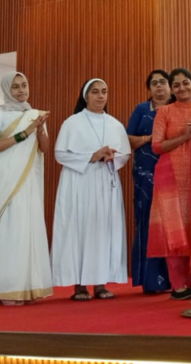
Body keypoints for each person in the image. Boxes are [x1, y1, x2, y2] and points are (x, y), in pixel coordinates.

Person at [51, 79, 131, 301]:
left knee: (102, 230)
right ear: (85, 96)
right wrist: (91, 156)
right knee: (79, 229)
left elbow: (125, 153)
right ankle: (79, 286)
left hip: (105, 181)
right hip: (79, 183)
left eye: (104, 91)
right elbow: (60, 154)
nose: (100, 96)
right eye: (95, 92)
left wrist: (112, 157)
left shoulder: (114, 124)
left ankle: (100, 284)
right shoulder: (72, 123)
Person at [0, 72, 53, 306]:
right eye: (15, 87)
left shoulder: (35, 115)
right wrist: (25, 133)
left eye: (24, 85)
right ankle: (6, 290)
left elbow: (44, 149)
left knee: (29, 233)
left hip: (29, 182)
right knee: (11, 234)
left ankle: (28, 288)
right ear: (7, 90)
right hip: (7, 182)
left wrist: (39, 131)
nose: (21, 90)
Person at [149, 68, 191, 300]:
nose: (182, 88)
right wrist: (185, 135)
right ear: (171, 89)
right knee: (174, 227)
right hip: (170, 176)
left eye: (186, 83)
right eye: (176, 85)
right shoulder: (164, 112)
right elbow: (157, 146)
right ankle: (178, 285)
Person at [125, 69, 173, 293]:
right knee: (147, 222)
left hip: (173, 172)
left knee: (171, 224)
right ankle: (150, 280)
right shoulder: (142, 110)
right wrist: (150, 138)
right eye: (154, 83)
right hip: (146, 174)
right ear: (149, 89)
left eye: (163, 82)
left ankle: (176, 280)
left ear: (170, 87)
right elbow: (128, 140)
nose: (159, 86)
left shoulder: (177, 109)